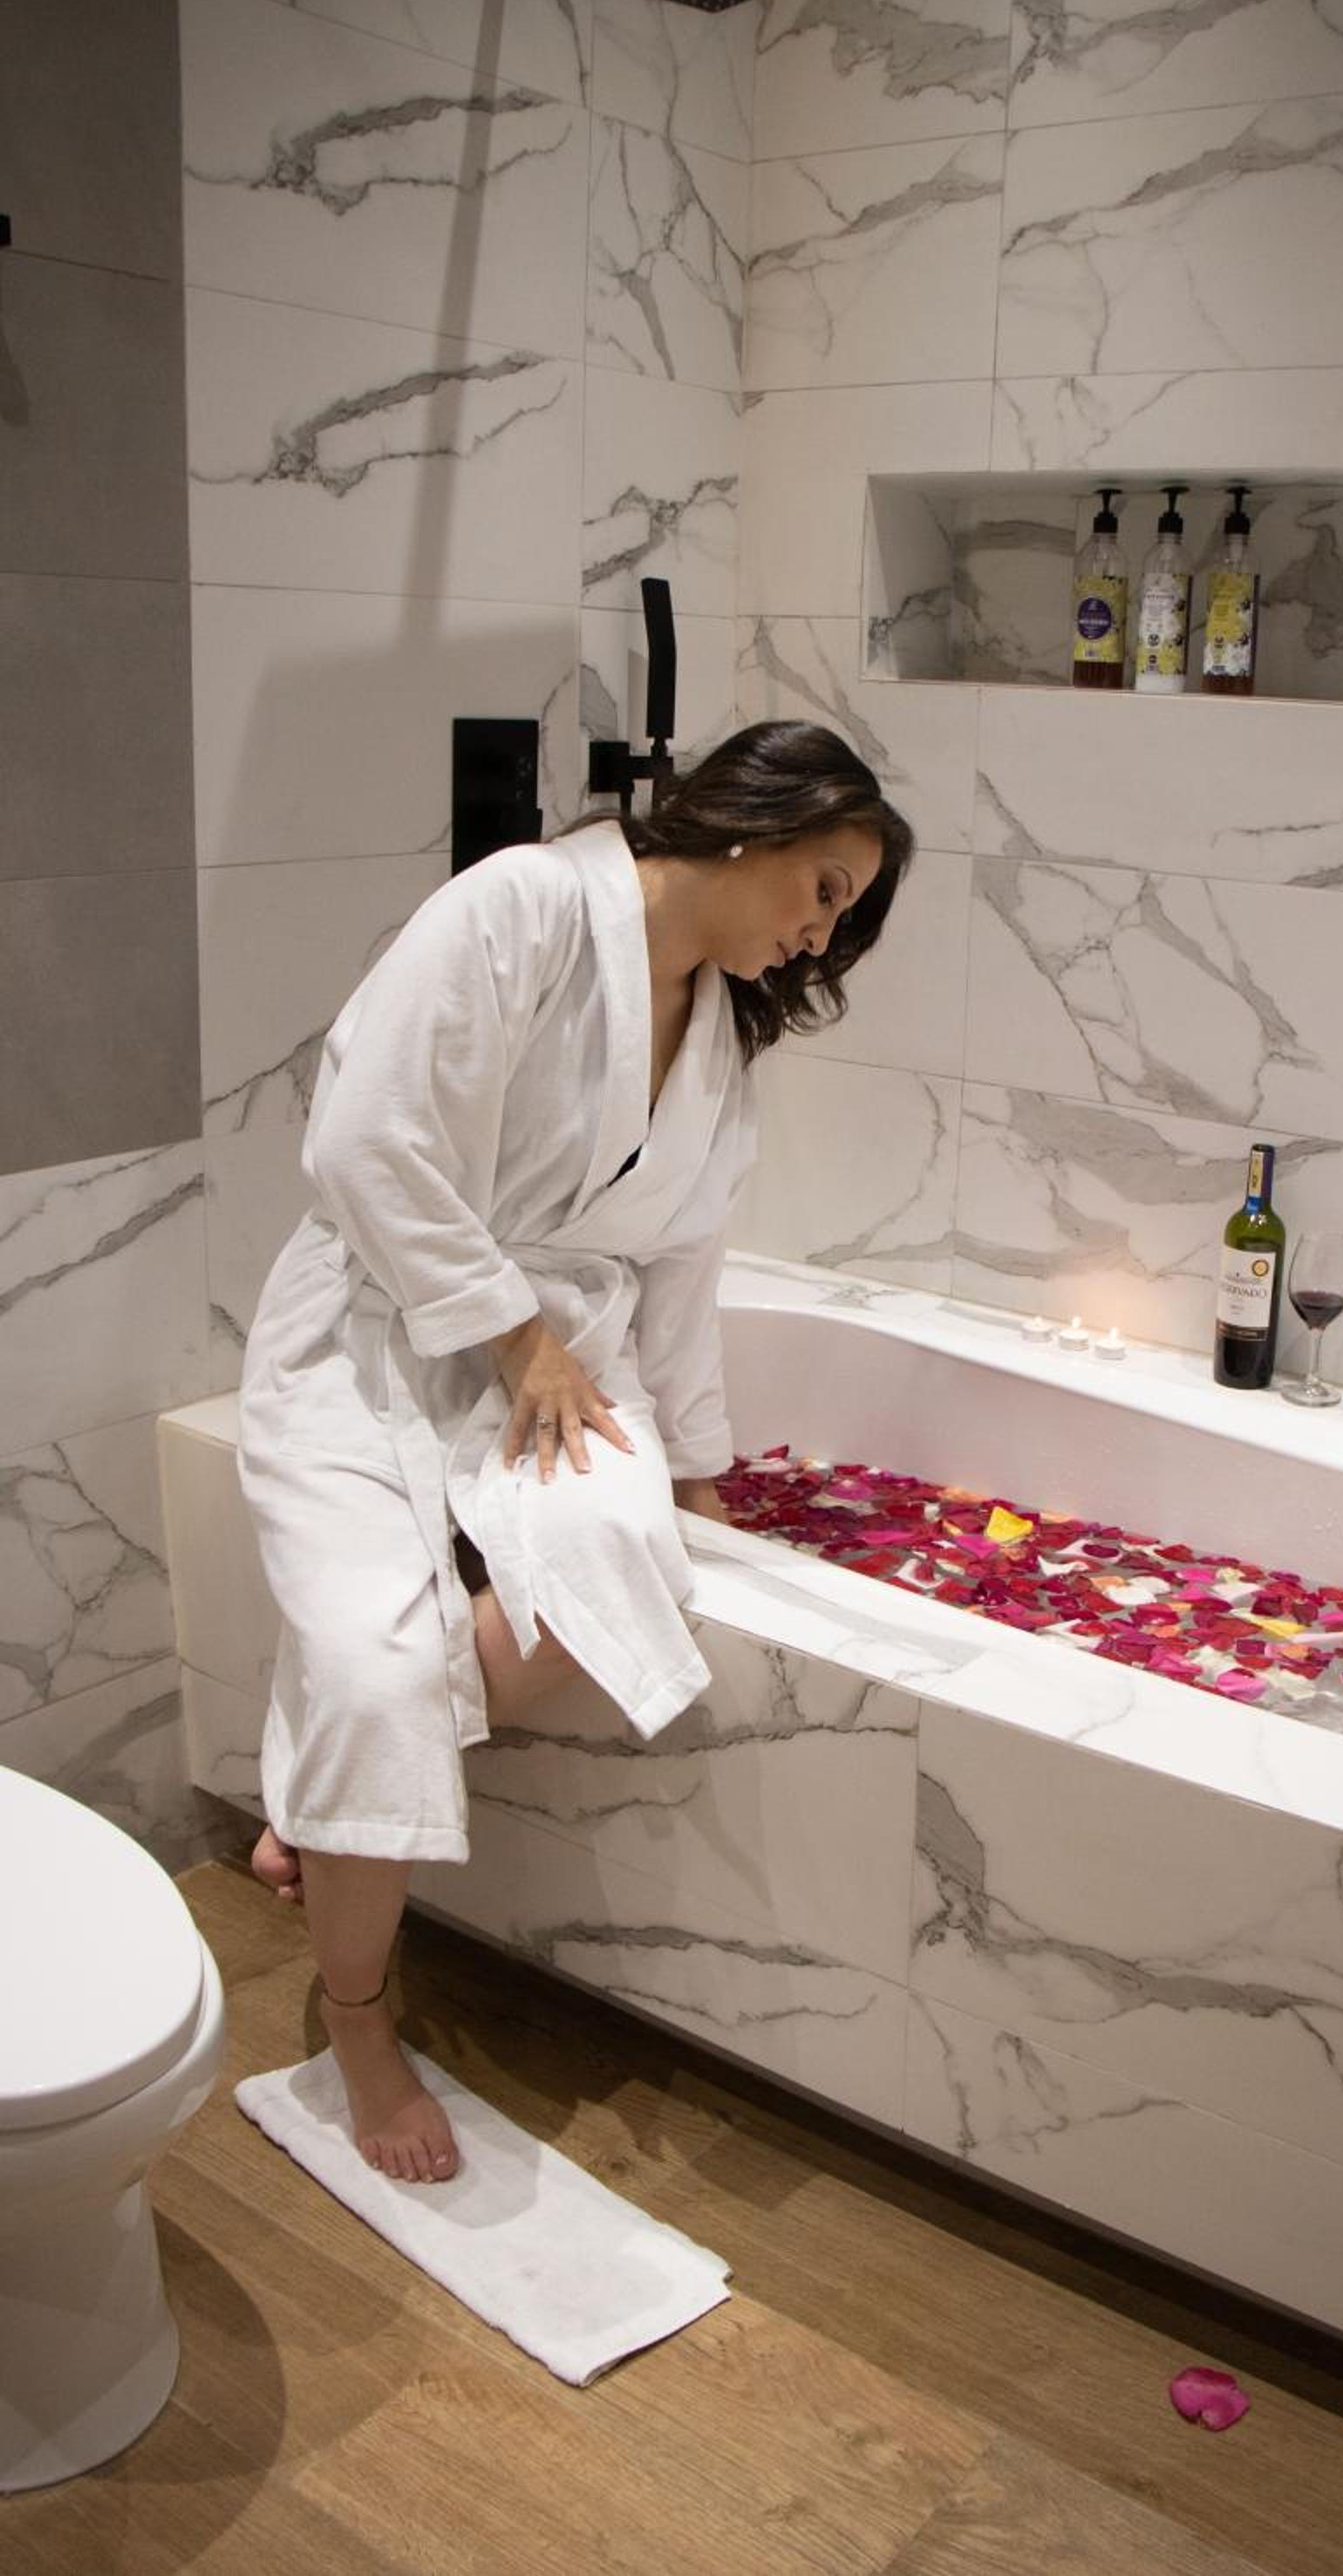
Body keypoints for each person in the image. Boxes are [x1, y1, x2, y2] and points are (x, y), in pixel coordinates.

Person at [235, 720, 913, 2184]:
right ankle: (359, 2017)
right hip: (376, 1335)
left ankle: (323, 1796)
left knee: (621, 1574)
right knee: (374, 1671)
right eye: (825, 889)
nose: (820, 934)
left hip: (569, 1365)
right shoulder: (524, 907)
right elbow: (363, 1141)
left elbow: (682, 1271)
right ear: (756, 823)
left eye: (842, 915)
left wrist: (696, 1478)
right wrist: (512, 1335)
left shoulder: (721, 1036)